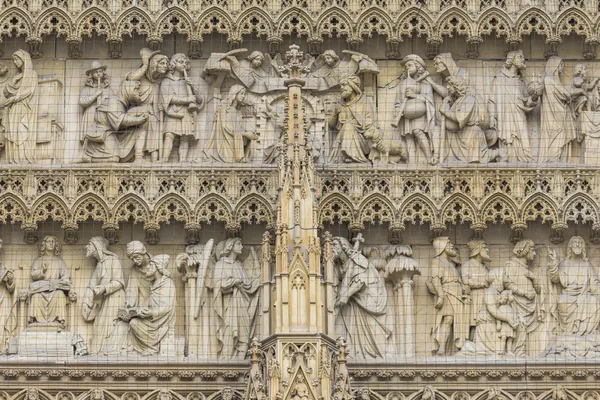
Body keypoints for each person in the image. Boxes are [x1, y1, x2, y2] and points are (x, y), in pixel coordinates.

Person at [332, 236, 391, 360]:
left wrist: (347, 294)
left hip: (369, 298)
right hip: (355, 302)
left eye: (335, 246)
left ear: (343, 247)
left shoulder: (358, 259)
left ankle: (376, 352)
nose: (332, 249)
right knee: (353, 324)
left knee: (371, 328)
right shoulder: (341, 265)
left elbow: (361, 280)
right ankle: (355, 350)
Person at [212, 238, 260, 359]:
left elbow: (247, 285)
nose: (242, 247)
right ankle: (228, 358)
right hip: (230, 304)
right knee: (230, 329)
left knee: (244, 331)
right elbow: (218, 285)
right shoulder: (220, 264)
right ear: (230, 246)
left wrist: (259, 279)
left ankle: (241, 357)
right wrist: (234, 281)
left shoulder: (239, 266)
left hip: (243, 304)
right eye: (239, 244)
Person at [78, 80, 149, 163]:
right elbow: (121, 119)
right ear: (128, 90)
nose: (139, 92)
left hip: (114, 133)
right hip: (102, 136)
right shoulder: (113, 101)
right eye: (136, 89)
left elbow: (118, 122)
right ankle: (86, 157)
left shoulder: (122, 104)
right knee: (114, 159)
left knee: (139, 131)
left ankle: (138, 158)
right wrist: (139, 120)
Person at [487, 50, 537, 163]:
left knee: (522, 139)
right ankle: (507, 159)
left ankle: (524, 161)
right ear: (512, 60)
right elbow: (491, 100)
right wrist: (492, 117)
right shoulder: (499, 79)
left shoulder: (520, 82)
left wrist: (534, 97)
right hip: (505, 118)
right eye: (520, 57)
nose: (523, 59)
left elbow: (526, 103)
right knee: (507, 140)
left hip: (519, 117)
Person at [82, 237, 128, 355]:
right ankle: (99, 352)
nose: (86, 247)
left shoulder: (113, 260)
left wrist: (104, 288)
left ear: (97, 246)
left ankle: (109, 352)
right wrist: (86, 303)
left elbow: (119, 282)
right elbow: (91, 286)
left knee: (109, 325)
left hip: (114, 299)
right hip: (103, 301)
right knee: (100, 324)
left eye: (90, 244)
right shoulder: (99, 265)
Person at [124, 254, 176, 356]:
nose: (148, 267)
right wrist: (134, 311)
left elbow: (167, 308)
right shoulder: (153, 284)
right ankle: (148, 348)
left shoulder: (167, 284)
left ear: (158, 267)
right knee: (133, 322)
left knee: (135, 324)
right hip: (152, 319)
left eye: (151, 265)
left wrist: (151, 313)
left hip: (161, 321)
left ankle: (152, 349)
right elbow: (148, 302)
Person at [548, 236, 600, 335]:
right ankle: (568, 333)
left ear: (583, 247)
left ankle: (586, 334)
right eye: (574, 242)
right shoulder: (564, 264)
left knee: (593, 301)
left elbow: (594, 285)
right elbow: (555, 279)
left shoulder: (587, 265)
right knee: (562, 301)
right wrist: (554, 262)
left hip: (584, 295)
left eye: (580, 243)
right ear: (570, 246)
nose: (577, 245)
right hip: (568, 295)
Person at [125, 48, 169, 163]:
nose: (166, 66)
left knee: (155, 132)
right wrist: (145, 65)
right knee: (142, 130)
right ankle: (138, 157)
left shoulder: (159, 82)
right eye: (162, 63)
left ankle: (155, 161)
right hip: (139, 112)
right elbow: (130, 79)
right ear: (154, 64)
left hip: (154, 113)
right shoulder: (141, 78)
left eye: (166, 64)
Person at [440, 76, 498, 163]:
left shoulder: (469, 99)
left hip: (471, 134)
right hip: (461, 135)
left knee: (477, 158)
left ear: (456, 86)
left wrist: (445, 111)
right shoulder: (459, 100)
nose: (447, 87)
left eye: (449, 85)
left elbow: (460, 117)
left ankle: (499, 153)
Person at [428, 237, 468, 355]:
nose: (451, 245)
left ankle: (455, 348)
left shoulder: (450, 263)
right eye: (448, 243)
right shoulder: (437, 261)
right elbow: (436, 280)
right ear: (441, 247)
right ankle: (442, 347)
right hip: (447, 293)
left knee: (458, 321)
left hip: (457, 295)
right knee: (448, 319)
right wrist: (440, 295)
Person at [538, 56, 582, 163]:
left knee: (559, 134)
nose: (562, 68)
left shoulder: (551, 79)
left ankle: (557, 159)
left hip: (559, 112)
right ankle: (553, 160)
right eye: (560, 65)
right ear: (555, 66)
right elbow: (565, 93)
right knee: (558, 134)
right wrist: (580, 91)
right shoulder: (550, 79)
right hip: (555, 114)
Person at [393, 55, 436, 165]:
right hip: (406, 113)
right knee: (408, 136)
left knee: (418, 131)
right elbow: (398, 100)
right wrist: (398, 110)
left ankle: (429, 157)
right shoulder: (404, 84)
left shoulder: (425, 83)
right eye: (406, 66)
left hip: (420, 113)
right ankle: (411, 163)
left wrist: (414, 95)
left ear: (418, 66)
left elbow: (429, 100)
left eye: (410, 65)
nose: (407, 68)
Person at [160, 53, 203, 163]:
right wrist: (187, 100)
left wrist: (193, 86)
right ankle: (164, 159)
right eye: (180, 62)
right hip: (173, 112)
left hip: (186, 112)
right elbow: (169, 98)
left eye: (185, 62)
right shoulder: (166, 81)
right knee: (169, 135)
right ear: (173, 64)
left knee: (185, 138)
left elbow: (199, 99)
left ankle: (183, 161)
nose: (183, 64)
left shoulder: (187, 82)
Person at [503, 239, 542, 356]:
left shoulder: (527, 269)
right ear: (524, 251)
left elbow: (539, 290)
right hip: (516, 302)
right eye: (532, 250)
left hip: (529, 303)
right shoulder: (511, 265)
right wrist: (524, 293)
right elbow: (508, 283)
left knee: (523, 327)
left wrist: (534, 279)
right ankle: (517, 352)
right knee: (520, 325)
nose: (534, 254)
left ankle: (520, 352)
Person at [204, 85, 259, 163]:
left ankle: (245, 158)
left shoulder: (238, 112)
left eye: (244, 94)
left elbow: (237, 129)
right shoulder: (224, 107)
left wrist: (249, 134)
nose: (243, 96)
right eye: (241, 93)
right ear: (234, 94)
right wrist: (245, 134)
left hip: (235, 142)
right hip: (225, 144)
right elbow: (226, 127)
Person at [328, 75, 376, 163]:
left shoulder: (364, 102)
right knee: (347, 126)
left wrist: (354, 122)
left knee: (348, 125)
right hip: (342, 138)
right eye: (340, 86)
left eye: (344, 85)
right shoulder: (340, 104)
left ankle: (355, 157)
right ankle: (348, 156)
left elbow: (369, 122)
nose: (341, 88)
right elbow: (331, 125)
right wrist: (335, 113)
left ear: (352, 86)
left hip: (362, 141)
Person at [2, 50, 38, 164]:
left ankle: (22, 159)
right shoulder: (17, 76)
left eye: (17, 59)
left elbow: (29, 91)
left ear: (24, 60)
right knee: (13, 133)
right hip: (13, 110)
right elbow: (6, 92)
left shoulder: (32, 74)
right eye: (13, 60)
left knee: (21, 132)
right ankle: (13, 159)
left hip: (24, 110)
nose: (15, 62)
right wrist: (13, 81)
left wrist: (15, 98)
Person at [28, 236, 71, 327]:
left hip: (55, 290)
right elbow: (33, 274)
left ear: (56, 245)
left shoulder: (59, 261)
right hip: (41, 290)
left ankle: (59, 321)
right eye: (49, 241)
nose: (51, 243)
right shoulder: (38, 260)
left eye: (53, 241)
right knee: (36, 296)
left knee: (60, 294)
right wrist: (42, 271)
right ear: (44, 245)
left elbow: (65, 273)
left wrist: (65, 278)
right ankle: (36, 322)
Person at [461, 239, 491, 339]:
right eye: (484, 247)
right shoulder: (467, 265)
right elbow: (465, 280)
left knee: (484, 322)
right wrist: (482, 283)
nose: (487, 250)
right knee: (473, 323)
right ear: (477, 250)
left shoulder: (485, 267)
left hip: (485, 298)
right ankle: (470, 344)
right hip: (474, 298)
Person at [79, 61, 112, 146]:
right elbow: (82, 102)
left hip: (104, 114)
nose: (98, 74)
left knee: (105, 135)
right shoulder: (87, 89)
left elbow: (114, 102)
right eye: (95, 72)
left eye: (100, 71)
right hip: (91, 113)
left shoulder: (107, 89)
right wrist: (95, 95)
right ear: (91, 74)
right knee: (90, 135)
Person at [125, 240, 153, 308]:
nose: (134, 261)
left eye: (136, 256)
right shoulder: (134, 269)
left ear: (143, 252)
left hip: (155, 303)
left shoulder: (156, 264)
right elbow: (131, 289)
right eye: (132, 259)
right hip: (142, 304)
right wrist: (129, 302)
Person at [0, 239, 15, 353]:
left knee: (2, 322)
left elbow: (10, 288)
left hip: (3, 297)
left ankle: (1, 346)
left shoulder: (2, 267)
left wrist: (9, 280)